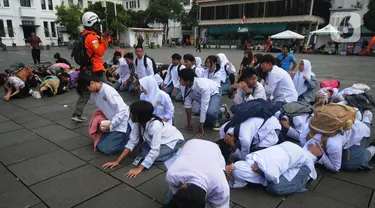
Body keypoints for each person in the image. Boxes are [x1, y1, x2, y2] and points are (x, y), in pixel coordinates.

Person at [102, 100, 184, 178]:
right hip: (157, 141)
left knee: (153, 158)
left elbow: (155, 150)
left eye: (132, 113)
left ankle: (175, 151)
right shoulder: (138, 122)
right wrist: (117, 161)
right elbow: (132, 142)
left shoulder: (156, 126)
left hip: (173, 141)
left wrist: (139, 168)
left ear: (139, 116)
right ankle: (156, 154)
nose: (130, 115)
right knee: (137, 153)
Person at [301, 104, 374, 172]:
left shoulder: (333, 142)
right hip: (347, 131)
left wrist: (320, 155)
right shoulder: (304, 135)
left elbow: (336, 167)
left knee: (350, 164)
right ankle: (357, 117)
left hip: (358, 134)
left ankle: (367, 121)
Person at [226, 142, 317, 196]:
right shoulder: (250, 157)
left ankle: (304, 181)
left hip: (304, 165)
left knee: (274, 188)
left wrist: (260, 172)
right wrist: (229, 172)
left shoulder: (268, 171)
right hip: (290, 147)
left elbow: (273, 178)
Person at [164, 139, 230, 208]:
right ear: (184, 186)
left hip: (214, 149)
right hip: (192, 144)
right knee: (173, 200)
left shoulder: (221, 188)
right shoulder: (173, 174)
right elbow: (175, 192)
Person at [77, 71, 131, 155]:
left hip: (123, 122)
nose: (88, 91)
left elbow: (123, 110)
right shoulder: (94, 93)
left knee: (105, 148)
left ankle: (131, 142)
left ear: (92, 83)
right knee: (99, 142)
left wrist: (111, 124)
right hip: (112, 121)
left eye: (87, 89)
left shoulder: (108, 91)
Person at [71, 11, 111, 123]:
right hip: (96, 68)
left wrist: (103, 38)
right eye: (97, 24)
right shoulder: (91, 38)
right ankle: (111, 111)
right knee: (106, 89)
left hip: (87, 69)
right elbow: (100, 51)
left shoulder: (84, 35)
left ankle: (77, 114)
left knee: (86, 92)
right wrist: (105, 40)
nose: (98, 27)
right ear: (93, 24)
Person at [179, 68, 226, 135]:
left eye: (181, 79)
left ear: (188, 80)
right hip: (201, 97)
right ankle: (221, 110)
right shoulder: (184, 86)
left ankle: (217, 119)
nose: (179, 80)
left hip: (214, 92)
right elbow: (187, 105)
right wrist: (189, 124)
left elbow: (204, 106)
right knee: (196, 110)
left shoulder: (202, 86)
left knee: (210, 112)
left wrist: (201, 127)